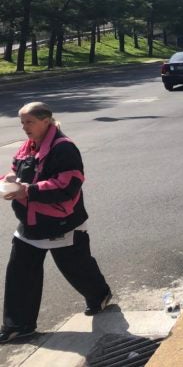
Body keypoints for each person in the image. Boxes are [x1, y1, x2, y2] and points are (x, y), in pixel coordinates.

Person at [0, 102, 112, 343]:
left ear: (46, 120)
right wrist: (10, 180)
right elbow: (17, 170)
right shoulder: (28, 146)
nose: (24, 127)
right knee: (20, 272)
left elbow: (67, 186)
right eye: (22, 122)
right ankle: (19, 325)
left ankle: (100, 295)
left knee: (76, 267)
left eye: (29, 122)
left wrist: (27, 190)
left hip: (61, 222)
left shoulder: (64, 148)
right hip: (31, 222)